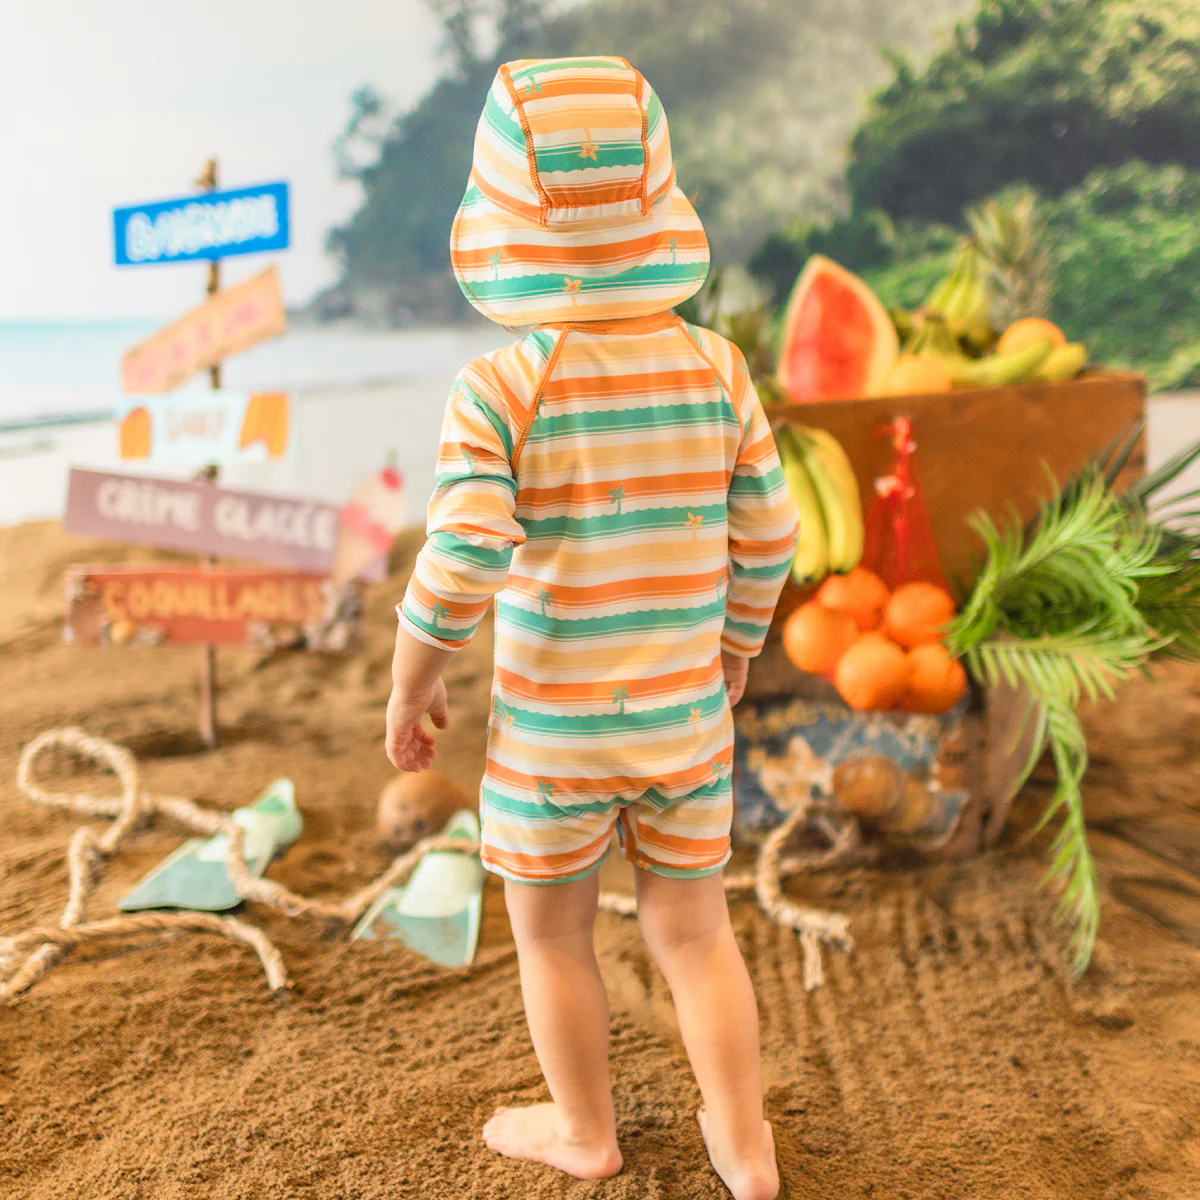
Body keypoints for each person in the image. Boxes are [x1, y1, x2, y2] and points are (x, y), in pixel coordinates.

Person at [385, 56, 798, 1200]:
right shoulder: (717, 370)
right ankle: (746, 1149)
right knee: (697, 935)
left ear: (501, 221)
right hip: (682, 718)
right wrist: (736, 646)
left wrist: (410, 681)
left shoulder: (498, 388)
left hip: (552, 737)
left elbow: (465, 552)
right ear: (657, 201)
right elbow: (771, 532)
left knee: (554, 940)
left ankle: (585, 1132)